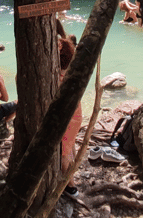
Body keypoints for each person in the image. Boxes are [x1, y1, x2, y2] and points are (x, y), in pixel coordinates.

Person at [59, 36, 82, 196]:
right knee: (69, 147)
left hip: (67, 116)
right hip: (76, 113)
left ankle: (70, 185)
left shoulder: (58, 75)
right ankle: (73, 172)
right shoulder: (73, 69)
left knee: (64, 152)